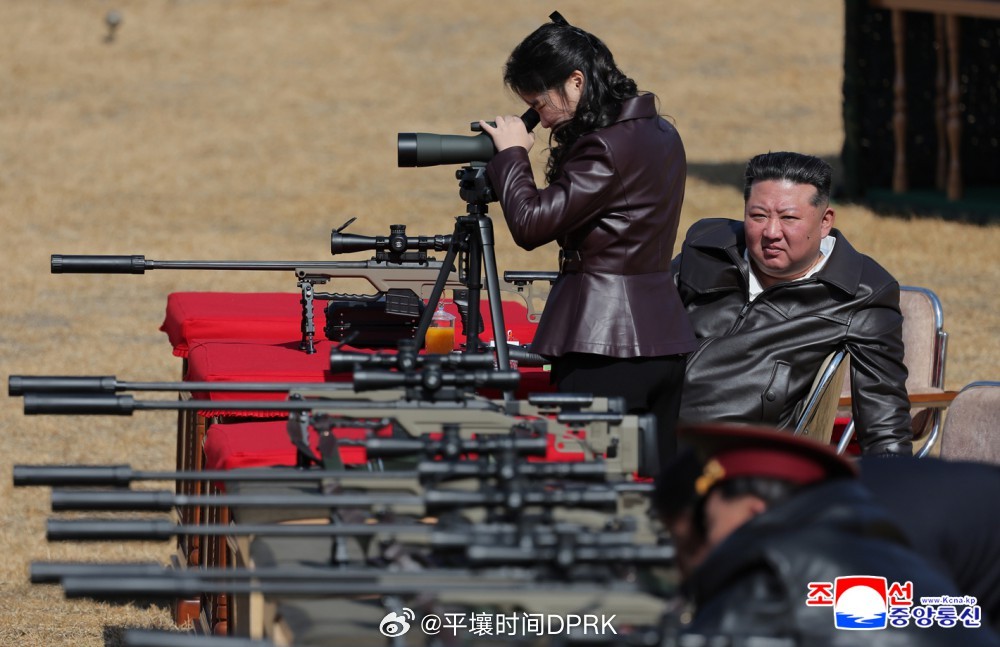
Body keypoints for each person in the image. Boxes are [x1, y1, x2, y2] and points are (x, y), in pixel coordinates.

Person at [479, 13, 697, 467]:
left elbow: (531, 223)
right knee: (650, 491)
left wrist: (513, 155)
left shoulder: (606, 147)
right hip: (663, 341)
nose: (539, 121)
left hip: (604, 346)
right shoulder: (661, 133)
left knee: (592, 489)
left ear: (576, 82)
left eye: (539, 104)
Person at [655, 423, 1000, 646]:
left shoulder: (778, 579)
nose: (686, 569)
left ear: (753, 511)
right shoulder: (847, 518)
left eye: (689, 546)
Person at [672, 151, 912, 456]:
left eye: (788, 218)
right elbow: (642, 321)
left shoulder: (860, 292)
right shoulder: (707, 248)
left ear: (825, 221)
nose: (771, 232)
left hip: (737, 459)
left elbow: (885, 422)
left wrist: (895, 478)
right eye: (758, 216)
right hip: (646, 425)